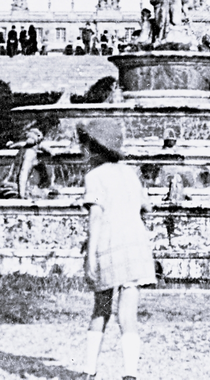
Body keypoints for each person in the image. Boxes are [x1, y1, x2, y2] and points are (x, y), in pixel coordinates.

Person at [79, 119, 155, 380]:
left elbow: (95, 218)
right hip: (135, 247)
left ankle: (89, 371)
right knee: (127, 314)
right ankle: (130, 374)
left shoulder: (94, 177)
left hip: (108, 247)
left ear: (94, 148)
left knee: (101, 309)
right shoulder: (130, 173)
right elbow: (147, 207)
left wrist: (90, 256)